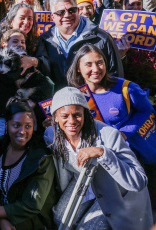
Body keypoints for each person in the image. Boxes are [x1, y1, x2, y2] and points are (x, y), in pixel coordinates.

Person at [48, 87, 153, 229]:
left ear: (85, 113)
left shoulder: (109, 135)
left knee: (89, 227)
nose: (71, 121)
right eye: (64, 116)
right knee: (60, 218)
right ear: (55, 117)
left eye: (77, 115)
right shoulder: (51, 135)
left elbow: (140, 181)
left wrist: (103, 153)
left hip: (114, 189)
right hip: (83, 182)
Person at [66, 44, 156, 208]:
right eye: (89, 64)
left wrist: (124, 132)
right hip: (101, 159)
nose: (96, 69)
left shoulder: (126, 88)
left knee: (143, 203)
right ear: (78, 68)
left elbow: (146, 110)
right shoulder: (76, 95)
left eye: (100, 62)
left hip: (133, 155)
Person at [0, 102, 57, 230]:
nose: (22, 131)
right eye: (16, 125)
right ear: (6, 125)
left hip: (29, 218)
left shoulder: (41, 158)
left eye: (28, 126)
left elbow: (31, 205)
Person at [35, 0, 124, 91]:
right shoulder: (44, 41)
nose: (67, 15)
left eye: (71, 10)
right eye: (61, 13)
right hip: (57, 103)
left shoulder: (101, 38)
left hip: (93, 104)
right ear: (53, 17)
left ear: (78, 11)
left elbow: (116, 76)